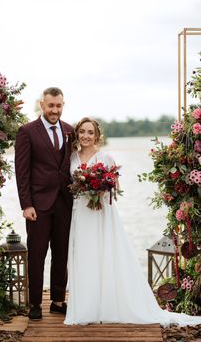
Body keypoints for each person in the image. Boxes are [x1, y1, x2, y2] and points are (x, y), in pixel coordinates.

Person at [64, 117, 201, 326]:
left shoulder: (106, 157)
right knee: (83, 255)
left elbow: (115, 187)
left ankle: (107, 304)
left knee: (104, 254)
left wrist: (99, 188)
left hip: (101, 213)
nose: (86, 136)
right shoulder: (72, 157)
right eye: (82, 131)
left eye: (90, 132)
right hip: (80, 213)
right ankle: (85, 308)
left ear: (97, 136)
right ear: (77, 133)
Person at [15, 87, 73, 320]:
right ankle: (35, 304)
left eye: (59, 106)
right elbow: (22, 171)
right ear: (42, 105)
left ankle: (58, 301)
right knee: (37, 255)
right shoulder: (27, 131)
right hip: (37, 205)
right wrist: (26, 204)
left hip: (65, 203)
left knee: (62, 254)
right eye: (51, 106)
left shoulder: (70, 130)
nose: (55, 110)